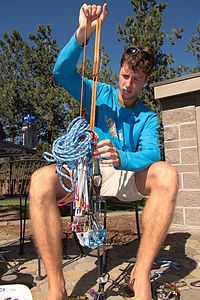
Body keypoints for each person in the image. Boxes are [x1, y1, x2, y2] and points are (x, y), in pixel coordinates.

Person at [29, 3, 178, 300]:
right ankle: (57, 288)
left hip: (123, 175)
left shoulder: (147, 116)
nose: (127, 85)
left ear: (145, 82)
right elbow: (61, 72)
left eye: (135, 80)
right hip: (85, 171)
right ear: (119, 71)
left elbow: (151, 154)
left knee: (167, 175)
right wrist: (85, 32)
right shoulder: (99, 91)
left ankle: (141, 278)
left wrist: (123, 157)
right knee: (40, 180)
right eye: (124, 76)